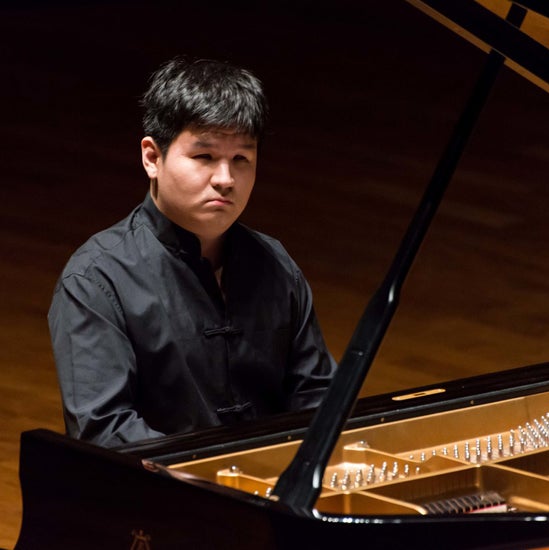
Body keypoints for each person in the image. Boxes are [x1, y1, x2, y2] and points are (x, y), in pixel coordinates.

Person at [48, 56, 337, 448]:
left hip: (271, 480)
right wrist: (212, 474)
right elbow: (105, 429)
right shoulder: (95, 280)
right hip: (156, 486)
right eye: (205, 157)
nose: (225, 179)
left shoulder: (276, 265)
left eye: (241, 159)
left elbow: (317, 400)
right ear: (152, 157)